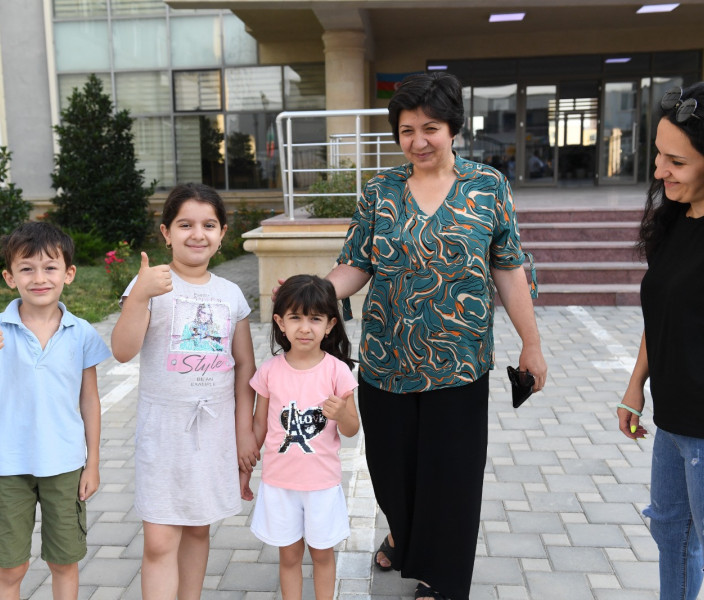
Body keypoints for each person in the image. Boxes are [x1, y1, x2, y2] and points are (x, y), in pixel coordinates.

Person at [325, 72, 547, 600]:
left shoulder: (487, 187)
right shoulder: (380, 191)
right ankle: (404, 537)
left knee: (450, 479)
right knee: (391, 472)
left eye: (430, 128)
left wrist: (531, 343)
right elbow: (355, 265)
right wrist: (312, 293)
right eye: (406, 130)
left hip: (460, 362)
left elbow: (508, 267)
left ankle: (440, 579)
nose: (418, 141)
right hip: (385, 359)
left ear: (453, 129)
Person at [617, 81, 704, 600]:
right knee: (671, 536)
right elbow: (662, 316)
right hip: (671, 420)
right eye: (658, 155)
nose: (659, 172)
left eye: (676, 162)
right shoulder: (675, 221)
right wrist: (635, 387)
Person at [111, 182, 259, 600]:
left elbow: (245, 366)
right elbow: (122, 351)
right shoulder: (149, 285)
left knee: (197, 528)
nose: (197, 234)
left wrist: (245, 431)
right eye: (185, 225)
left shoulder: (230, 294)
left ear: (222, 233)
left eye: (208, 225)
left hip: (213, 433)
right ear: (166, 233)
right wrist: (140, 295)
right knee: (160, 539)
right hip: (163, 433)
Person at [0, 221, 111, 600]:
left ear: (69, 273)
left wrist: (92, 463)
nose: (39, 278)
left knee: (64, 563)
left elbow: (89, 400)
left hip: (66, 465)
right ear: (10, 277)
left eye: (50, 267)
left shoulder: (81, 332)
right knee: (11, 566)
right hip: (10, 466)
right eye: (26, 268)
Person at [241, 274, 359, 600]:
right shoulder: (269, 370)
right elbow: (260, 426)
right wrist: (245, 465)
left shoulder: (337, 371)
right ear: (280, 322)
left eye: (315, 319)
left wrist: (341, 413)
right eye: (295, 317)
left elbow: (352, 428)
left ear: (330, 325)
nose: (305, 328)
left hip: (321, 484)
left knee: (322, 555)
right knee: (289, 556)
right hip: (279, 483)